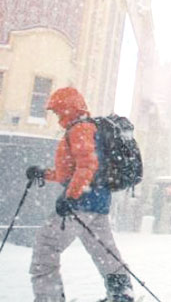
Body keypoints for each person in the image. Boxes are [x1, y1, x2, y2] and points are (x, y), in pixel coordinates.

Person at [24, 87, 134, 302]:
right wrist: (44, 174)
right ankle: (122, 293)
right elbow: (69, 172)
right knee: (104, 251)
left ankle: (49, 298)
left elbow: (87, 165)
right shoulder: (88, 128)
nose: (57, 117)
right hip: (98, 203)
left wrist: (70, 197)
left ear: (69, 108)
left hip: (81, 203)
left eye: (58, 111)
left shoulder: (80, 128)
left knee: (45, 247)